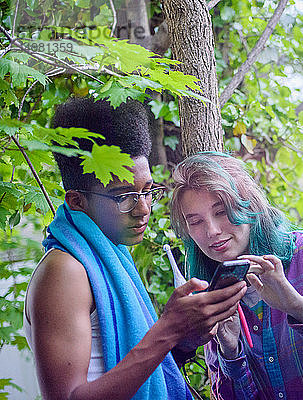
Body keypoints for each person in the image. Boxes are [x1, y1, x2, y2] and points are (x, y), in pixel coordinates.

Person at [24, 98, 247, 400]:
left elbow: (135, 375)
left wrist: (180, 342)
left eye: (146, 191)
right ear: (77, 201)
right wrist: (166, 331)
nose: (143, 209)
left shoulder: (112, 254)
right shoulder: (65, 270)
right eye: (123, 196)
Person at [169, 152, 303, 400]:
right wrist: (230, 351)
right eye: (195, 221)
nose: (211, 231)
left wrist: (298, 307)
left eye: (221, 212)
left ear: (249, 204)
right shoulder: (214, 295)